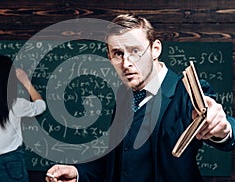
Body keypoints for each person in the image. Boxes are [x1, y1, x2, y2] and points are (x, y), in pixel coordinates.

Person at [45, 14, 235, 182]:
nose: (126, 63)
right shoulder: (123, 96)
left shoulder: (186, 92)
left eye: (135, 51)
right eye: (118, 54)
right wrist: (78, 172)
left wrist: (223, 128)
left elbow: (224, 127)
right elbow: (116, 161)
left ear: (155, 49)